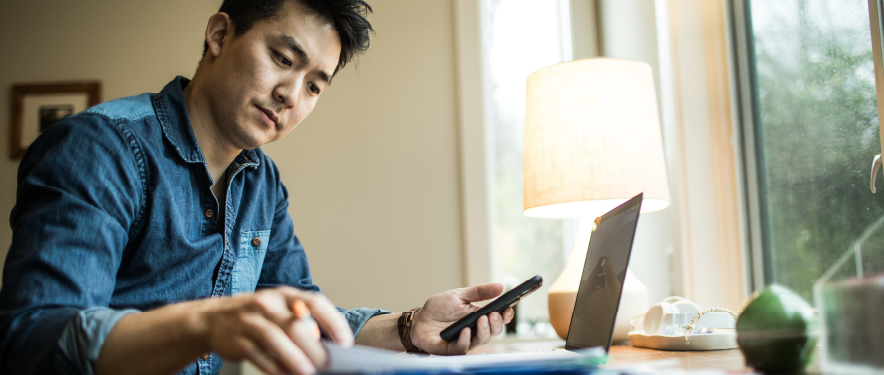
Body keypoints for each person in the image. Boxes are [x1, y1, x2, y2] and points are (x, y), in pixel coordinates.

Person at [0, 1, 514, 374]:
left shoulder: (262, 182)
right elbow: (33, 341)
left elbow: (306, 315)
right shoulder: (100, 148)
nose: (291, 95)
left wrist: (411, 327)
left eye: (315, 85)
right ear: (220, 35)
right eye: (283, 59)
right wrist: (203, 324)